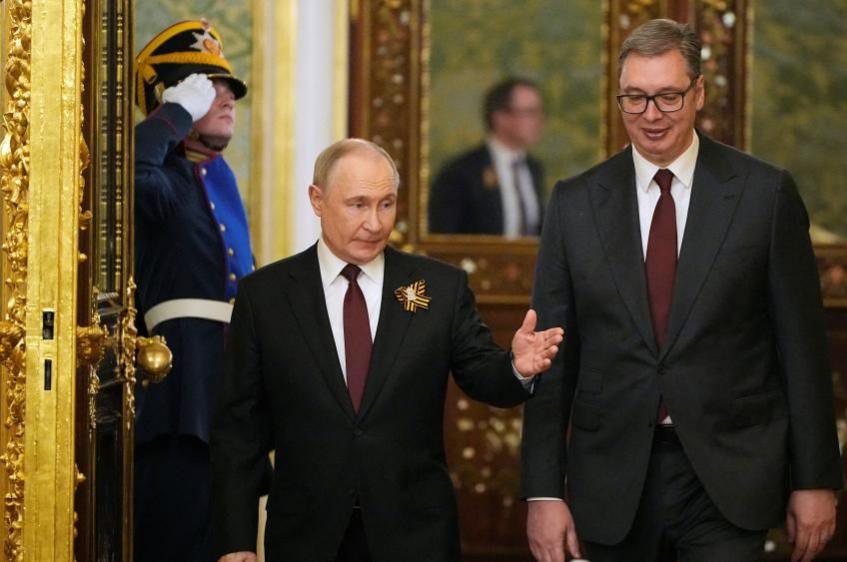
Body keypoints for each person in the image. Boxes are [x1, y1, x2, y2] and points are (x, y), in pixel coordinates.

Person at [521, 18, 843, 562]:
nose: (651, 115)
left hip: (730, 475)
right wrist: (544, 490)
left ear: (699, 93)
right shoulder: (574, 204)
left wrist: (815, 479)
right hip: (611, 476)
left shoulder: (764, 195)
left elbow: (802, 349)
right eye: (636, 98)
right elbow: (551, 356)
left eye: (668, 97)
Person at [211, 139, 564, 562]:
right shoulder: (265, 296)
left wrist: (517, 367)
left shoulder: (440, 288)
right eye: (358, 205)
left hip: (415, 534)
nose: (375, 223)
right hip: (307, 535)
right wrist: (236, 542)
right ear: (317, 200)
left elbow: (482, 373)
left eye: (386, 204)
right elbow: (239, 429)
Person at [132, 19, 251, 562]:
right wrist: (171, 115)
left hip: (228, 388)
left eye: (228, 87)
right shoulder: (165, 178)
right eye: (206, 86)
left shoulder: (220, 178)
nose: (225, 96)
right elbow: (126, 177)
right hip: (178, 393)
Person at [428, 77, 545, 236]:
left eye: (538, 112)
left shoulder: (533, 168)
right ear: (500, 117)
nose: (539, 121)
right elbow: (444, 238)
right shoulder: (461, 173)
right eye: (530, 112)